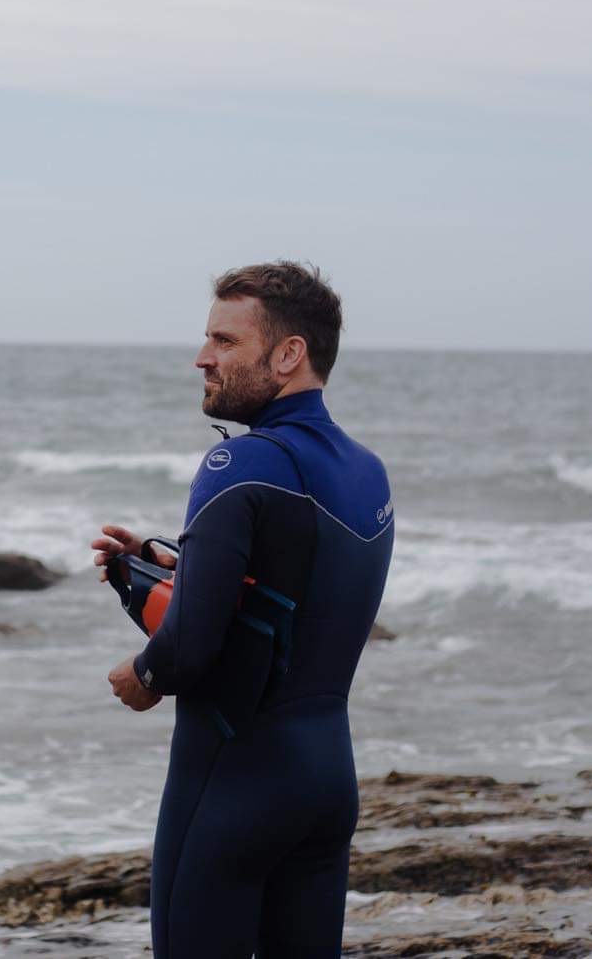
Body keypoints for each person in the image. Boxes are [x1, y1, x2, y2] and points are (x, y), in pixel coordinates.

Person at [91, 262, 393, 959]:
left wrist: (143, 673)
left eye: (224, 340)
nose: (202, 357)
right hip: (325, 784)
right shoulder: (367, 470)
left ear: (289, 354)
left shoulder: (242, 464)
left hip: (234, 786)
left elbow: (190, 649)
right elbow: (307, 594)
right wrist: (187, 572)